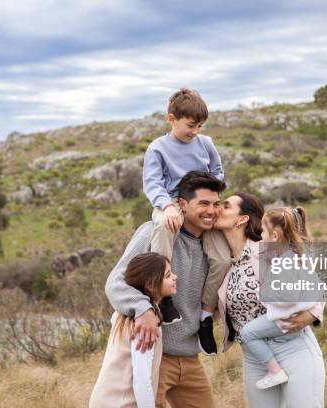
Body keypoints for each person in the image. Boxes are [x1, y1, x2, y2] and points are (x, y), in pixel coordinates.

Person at [106, 171, 226, 408]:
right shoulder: (153, 231)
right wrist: (143, 309)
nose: (211, 211)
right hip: (153, 354)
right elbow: (114, 283)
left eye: (215, 204)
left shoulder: (215, 248)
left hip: (190, 358)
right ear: (181, 204)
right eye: (203, 203)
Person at [216, 194, 326, 408]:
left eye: (226, 205)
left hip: (293, 348)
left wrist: (312, 314)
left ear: (242, 219)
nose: (218, 208)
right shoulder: (221, 260)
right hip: (255, 358)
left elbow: (314, 285)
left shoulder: (266, 250)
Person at [143, 88, 230, 355]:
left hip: (202, 203)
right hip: (171, 204)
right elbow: (152, 184)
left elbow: (217, 172)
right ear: (172, 119)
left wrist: (211, 196)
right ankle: (163, 295)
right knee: (161, 226)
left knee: (223, 257)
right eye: (190, 125)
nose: (195, 131)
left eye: (199, 126)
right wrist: (169, 206)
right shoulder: (158, 148)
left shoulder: (206, 144)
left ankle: (205, 316)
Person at [239, 206, 324, 390]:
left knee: (248, 333)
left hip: (285, 319)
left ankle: (274, 370)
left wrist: (266, 294)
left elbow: (288, 296)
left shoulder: (284, 262)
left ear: (275, 237)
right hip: (290, 317)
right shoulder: (296, 255)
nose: (260, 235)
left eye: (263, 232)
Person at [89, 252, 177, 408]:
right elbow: (142, 380)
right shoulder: (146, 326)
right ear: (151, 284)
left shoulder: (121, 314)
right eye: (168, 275)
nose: (175, 277)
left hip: (102, 400)